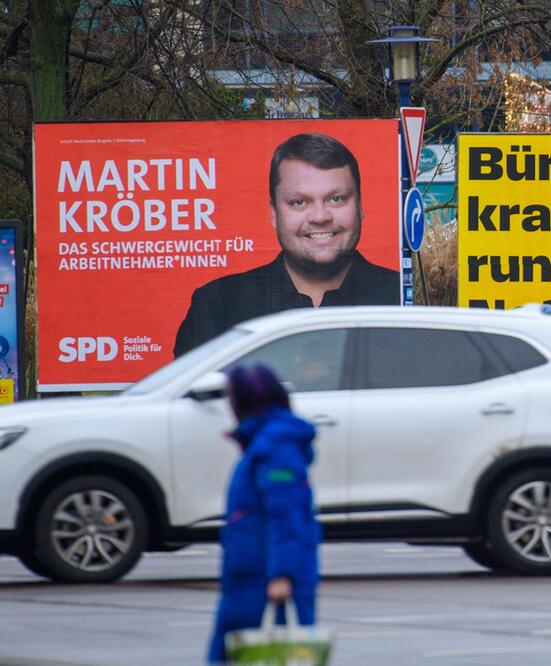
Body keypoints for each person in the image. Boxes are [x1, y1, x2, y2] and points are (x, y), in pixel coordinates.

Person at [175, 132, 401, 356]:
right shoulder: (219, 305)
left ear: (360, 205)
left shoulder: (400, 298)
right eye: (299, 202)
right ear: (274, 212)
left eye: (336, 199)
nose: (320, 217)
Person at [207, 364, 321, 664]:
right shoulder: (266, 443)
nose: (228, 405)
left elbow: (284, 514)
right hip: (250, 576)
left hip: (262, 580)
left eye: (231, 397)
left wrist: (281, 575)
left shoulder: (275, 448)